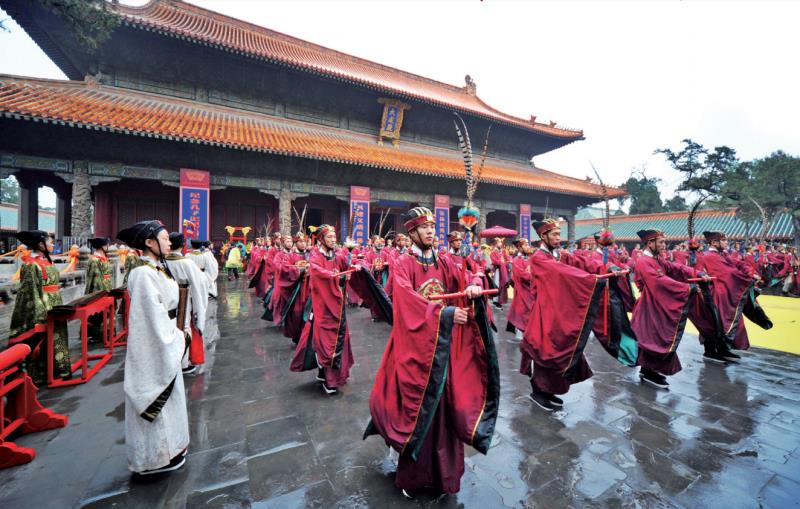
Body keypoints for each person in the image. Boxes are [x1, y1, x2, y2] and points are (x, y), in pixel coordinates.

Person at [365, 207, 499, 498]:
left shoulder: (444, 260)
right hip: (412, 348)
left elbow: (467, 275)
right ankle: (413, 478)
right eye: (424, 228)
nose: (430, 232)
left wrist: (474, 286)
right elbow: (406, 302)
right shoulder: (403, 263)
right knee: (416, 408)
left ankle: (444, 475)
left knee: (442, 411)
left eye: (432, 227)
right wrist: (446, 314)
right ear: (412, 232)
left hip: (441, 348)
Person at [116, 220, 189, 476]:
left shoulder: (157, 269)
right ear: (149, 242)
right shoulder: (143, 274)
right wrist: (177, 337)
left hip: (170, 333)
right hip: (157, 341)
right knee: (159, 400)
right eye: (165, 238)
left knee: (172, 400)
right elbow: (151, 318)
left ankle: (171, 449)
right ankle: (154, 458)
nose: (170, 242)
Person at [519, 219, 607, 411]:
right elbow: (562, 272)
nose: (558, 238)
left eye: (559, 234)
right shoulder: (539, 258)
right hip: (543, 311)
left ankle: (548, 390)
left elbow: (579, 262)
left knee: (557, 348)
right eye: (555, 235)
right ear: (543, 236)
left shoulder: (557, 255)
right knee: (543, 350)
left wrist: (605, 267)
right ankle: (538, 392)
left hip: (556, 308)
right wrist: (591, 280)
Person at [629, 229, 714, 389]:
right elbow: (659, 282)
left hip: (657, 304)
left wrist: (697, 273)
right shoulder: (643, 261)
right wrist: (687, 288)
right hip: (649, 306)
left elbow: (676, 268)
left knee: (655, 337)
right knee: (653, 338)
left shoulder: (656, 260)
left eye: (664, 242)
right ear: (650, 243)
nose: (664, 245)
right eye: (661, 242)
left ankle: (648, 371)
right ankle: (648, 371)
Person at [290, 225, 355, 394]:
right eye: (329, 237)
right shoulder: (315, 256)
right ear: (321, 239)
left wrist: (352, 257)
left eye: (334, 237)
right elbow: (318, 273)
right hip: (322, 305)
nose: (333, 240)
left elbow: (348, 264)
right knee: (327, 342)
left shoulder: (337, 254)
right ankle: (330, 380)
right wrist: (336, 277)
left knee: (337, 339)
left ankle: (325, 374)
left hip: (337, 305)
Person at [8, 230, 72, 384]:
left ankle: (60, 369)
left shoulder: (47, 261)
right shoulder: (30, 265)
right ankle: (43, 374)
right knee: (44, 341)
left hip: (55, 305)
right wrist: (40, 314)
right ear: (40, 244)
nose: (52, 245)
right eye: (49, 242)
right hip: (44, 308)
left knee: (58, 337)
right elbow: (30, 293)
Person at [165, 232, 208, 375]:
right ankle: (183, 364)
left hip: (165, 299)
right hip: (183, 298)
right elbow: (199, 283)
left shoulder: (162, 261)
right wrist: (199, 306)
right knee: (183, 328)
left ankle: (167, 361)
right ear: (183, 244)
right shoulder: (186, 262)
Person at [506, 237, 534, 342]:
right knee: (522, 311)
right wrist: (533, 275)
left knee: (531, 311)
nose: (528, 247)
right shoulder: (516, 260)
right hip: (522, 290)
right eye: (525, 245)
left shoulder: (531, 258)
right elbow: (522, 275)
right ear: (519, 247)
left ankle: (529, 334)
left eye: (528, 244)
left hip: (531, 289)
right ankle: (521, 335)